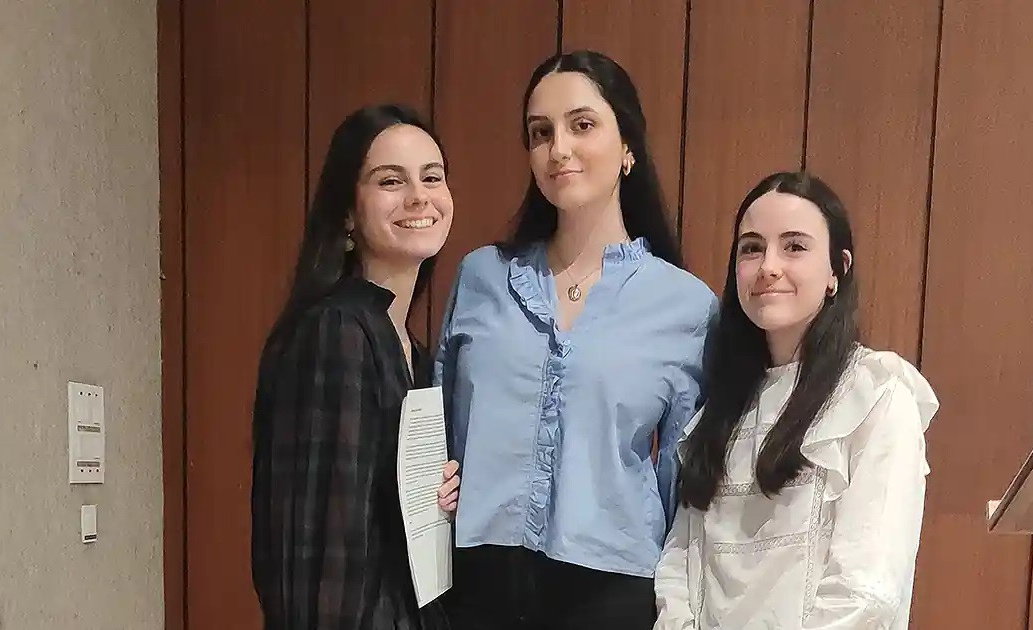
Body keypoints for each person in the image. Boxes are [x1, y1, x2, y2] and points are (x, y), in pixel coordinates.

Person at [430, 49, 717, 630]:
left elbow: (682, 483)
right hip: (479, 584)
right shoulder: (481, 276)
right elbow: (444, 430)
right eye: (541, 133)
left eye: (582, 125)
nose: (558, 148)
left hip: (611, 591)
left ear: (628, 146)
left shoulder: (686, 306)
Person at [653, 171, 940, 629]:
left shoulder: (877, 395)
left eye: (794, 246)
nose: (768, 266)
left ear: (836, 271)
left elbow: (868, 591)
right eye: (751, 248)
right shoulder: (720, 410)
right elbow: (679, 563)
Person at [250, 104, 454, 630]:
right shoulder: (337, 331)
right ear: (346, 214)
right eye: (391, 180)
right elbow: (318, 563)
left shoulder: (411, 350)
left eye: (432, 177)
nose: (419, 196)